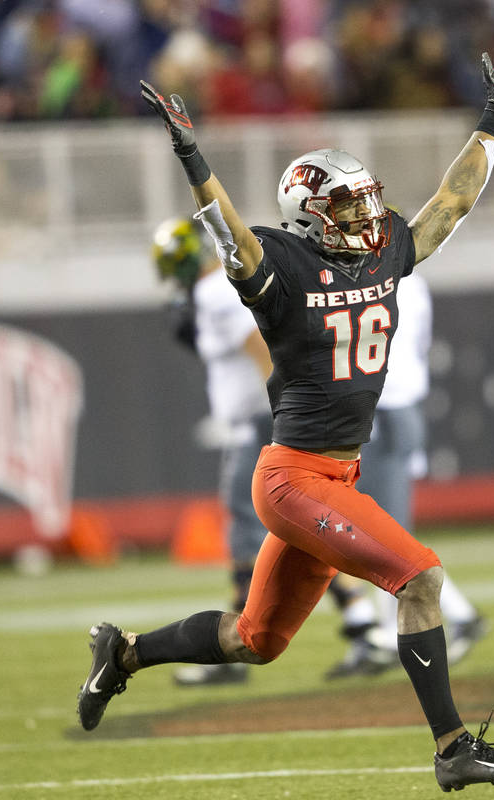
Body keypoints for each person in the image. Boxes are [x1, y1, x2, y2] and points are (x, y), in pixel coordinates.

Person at [77, 42, 494, 792]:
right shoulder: (283, 269)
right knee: (421, 581)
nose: (366, 213)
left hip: (333, 471)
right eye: (347, 203)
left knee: (255, 639)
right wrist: (195, 159)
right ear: (308, 214)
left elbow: (452, 201)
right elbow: (231, 239)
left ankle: (123, 651)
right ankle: (453, 747)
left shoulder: (388, 247)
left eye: (365, 198)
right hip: (294, 478)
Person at [151, 217, 382, 686]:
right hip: (259, 421)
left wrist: (285, 415)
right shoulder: (215, 290)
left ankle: (235, 644)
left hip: (262, 422)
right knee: (295, 532)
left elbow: (263, 350)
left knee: (249, 527)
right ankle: (362, 620)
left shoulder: (216, 291)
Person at [325, 272, 489, 678]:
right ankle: (386, 635)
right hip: (402, 405)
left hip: (384, 407)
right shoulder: (410, 282)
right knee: (379, 533)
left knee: (382, 535)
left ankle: (460, 615)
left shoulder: (372, 283)